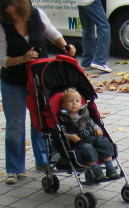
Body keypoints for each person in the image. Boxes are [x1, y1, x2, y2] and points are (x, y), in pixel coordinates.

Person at [0, 0, 76, 184]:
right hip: (13, 81)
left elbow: (52, 34)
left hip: (40, 79)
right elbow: (1, 59)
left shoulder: (37, 15)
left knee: (41, 120)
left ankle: (43, 160)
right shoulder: (2, 25)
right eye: (9, 14)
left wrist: (65, 46)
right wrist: (21, 59)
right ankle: (14, 168)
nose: (13, 17)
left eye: (16, 13)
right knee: (15, 125)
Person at [59, 87, 120, 182]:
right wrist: (69, 136)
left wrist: (97, 129)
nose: (74, 103)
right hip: (79, 142)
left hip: (91, 137)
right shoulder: (64, 119)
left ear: (81, 103)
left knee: (104, 141)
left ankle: (109, 167)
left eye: (77, 101)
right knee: (87, 148)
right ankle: (97, 170)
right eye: (70, 101)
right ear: (64, 105)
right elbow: (62, 132)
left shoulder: (84, 114)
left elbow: (92, 123)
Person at [76, 0, 111, 73]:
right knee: (104, 27)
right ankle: (99, 61)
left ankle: (87, 62)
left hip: (80, 2)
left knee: (87, 30)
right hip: (91, 1)